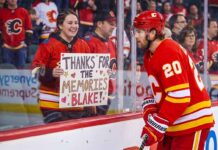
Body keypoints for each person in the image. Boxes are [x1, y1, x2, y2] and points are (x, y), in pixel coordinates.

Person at [133, 10, 214, 149]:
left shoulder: (168, 51)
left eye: (140, 32)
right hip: (175, 122)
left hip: (192, 121)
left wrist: (157, 124)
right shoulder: (150, 55)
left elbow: (180, 96)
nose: (135, 36)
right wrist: (151, 105)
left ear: (152, 33)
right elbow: (164, 89)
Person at [31, 10, 93, 123]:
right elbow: (35, 69)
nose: (74, 26)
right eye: (70, 23)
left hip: (75, 103)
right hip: (51, 103)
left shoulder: (83, 44)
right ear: (60, 25)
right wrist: (51, 72)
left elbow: (90, 71)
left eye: (76, 23)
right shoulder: (48, 44)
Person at [84, 10, 117, 115]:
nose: (113, 27)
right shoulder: (88, 42)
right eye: (110, 24)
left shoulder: (111, 43)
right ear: (99, 24)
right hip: (93, 96)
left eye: (114, 24)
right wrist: (89, 98)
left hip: (108, 93)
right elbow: (83, 72)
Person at [0, 0, 33, 68]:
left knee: (21, 71)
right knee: (7, 72)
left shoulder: (23, 11)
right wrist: (2, 43)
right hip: (6, 47)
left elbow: (29, 29)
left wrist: (25, 43)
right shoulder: (1, 12)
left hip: (21, 47)